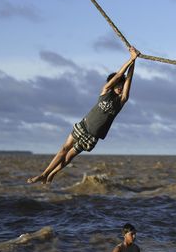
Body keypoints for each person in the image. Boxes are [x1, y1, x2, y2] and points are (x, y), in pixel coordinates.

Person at [28, 47, 139, 184]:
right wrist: (130, 59)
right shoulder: (105, 92)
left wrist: (134, 61)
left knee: (69, 157)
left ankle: (53, 173)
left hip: (93, 136)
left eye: (121, 85)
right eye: (117, 84)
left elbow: (128, 79)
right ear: (112, 84)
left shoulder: (121, 101)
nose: (120, 87)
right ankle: (44, 174)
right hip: (83, 126)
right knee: (64, 149)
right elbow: (118, 76)